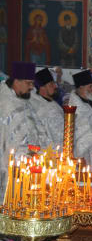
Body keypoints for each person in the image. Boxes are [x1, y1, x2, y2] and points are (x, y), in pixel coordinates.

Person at [0, 62, 49, 200]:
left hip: (28, 166)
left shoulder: (22, 98)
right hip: (11, 170)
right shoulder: (5, 105)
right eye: (28, 83)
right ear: (17, 81)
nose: (32, 87)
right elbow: (6, 143)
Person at [30, 68, 64, 149]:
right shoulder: (41, 108)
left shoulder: (51, 102)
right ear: (42, 88)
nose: (55, 86)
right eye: (51, 84)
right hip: (52, 153)